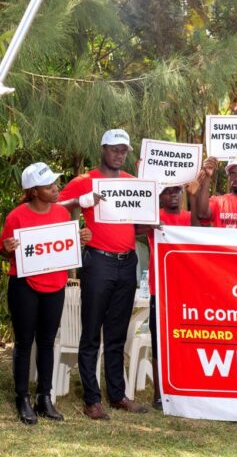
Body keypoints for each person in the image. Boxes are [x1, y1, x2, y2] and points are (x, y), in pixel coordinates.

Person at [58, 129, 148, 419]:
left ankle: (118, 395)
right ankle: (92, 399)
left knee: (117, 334)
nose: (120, 154)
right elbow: (53, 209)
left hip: (127, 262)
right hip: (98, 262)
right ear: (103, 149)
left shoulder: (134, 184)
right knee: (91, 332)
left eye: (124, 150)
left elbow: (141, 225)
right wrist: (79, 203)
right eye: (114, 149)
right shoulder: (84, 182)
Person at [1, 163, 92, 424]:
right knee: (23, 342)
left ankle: (44, 397)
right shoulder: (16, 216)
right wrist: (7, 249)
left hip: (55, 285)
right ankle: (22, 398)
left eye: (55, 184)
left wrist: (82, 237)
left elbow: (68, 244)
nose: (56, 188)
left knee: (48, 341)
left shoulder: (62, 214)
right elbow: (6, 251)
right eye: (49, 185)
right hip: (24, 285)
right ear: (33, 192)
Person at [142, 183, 194, 409]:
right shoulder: (153, 218)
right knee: (159, 341)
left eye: (176, 191)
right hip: (160, 288)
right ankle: (159, 392)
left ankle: (187, 387)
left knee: (187, 338)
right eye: (167, 192)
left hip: (187, 288)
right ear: (159, 197)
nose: (173, 195)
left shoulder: (190, 218)